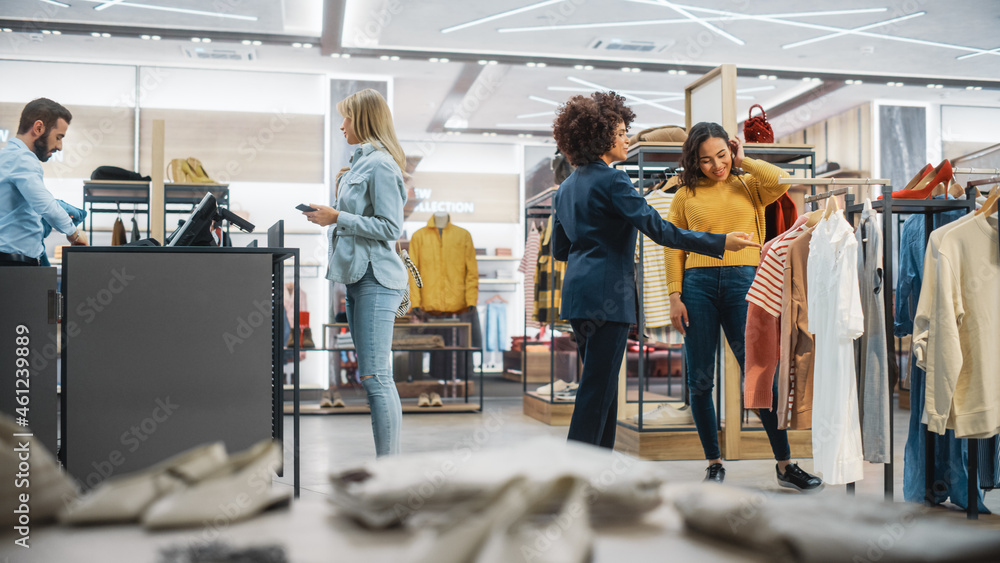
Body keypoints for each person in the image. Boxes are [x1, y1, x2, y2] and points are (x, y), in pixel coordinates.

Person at [551, 92, 759, 449]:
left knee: (600, 390)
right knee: (594, 394)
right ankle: (574, 474)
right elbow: (662, 231)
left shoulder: (566, 188)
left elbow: (560, 249)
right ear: (602, 138)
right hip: (608, 299)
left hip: (579, 296)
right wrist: (720, 242)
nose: (626, 138)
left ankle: (596, 469)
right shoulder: (615, 182)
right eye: (620, 132)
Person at [666, 121, 822, 490]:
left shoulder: (749, 185)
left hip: (744, 284)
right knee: (701, 378)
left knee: (760, 374)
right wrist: (674, 296)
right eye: (705, 160)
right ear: (694, 161)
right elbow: (673, 247)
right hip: (697, 286)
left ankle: (785, 465)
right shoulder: (683, 196)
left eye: (721, 155)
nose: (716, 165)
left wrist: (744, 159)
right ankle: (714, 462)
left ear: (731, 151)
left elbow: (781, 180)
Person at [303, 89, 407, 457]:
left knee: (376, 377)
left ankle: (389, 470)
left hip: (376, 278)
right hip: (360, 278)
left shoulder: (379, 164)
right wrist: (332, 213)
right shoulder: (361, 164)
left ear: (363, 120)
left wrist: (338, 217)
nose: (342, 125)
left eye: (346, 118)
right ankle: (388, 466)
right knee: (374, 377)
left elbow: (390, 228)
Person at [0, 98, 88, 267]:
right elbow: (46, 205)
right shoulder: (22, 158)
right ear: (38, 128)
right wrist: (74, 234)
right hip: (15, 265)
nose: (60, 146)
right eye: (59, 137)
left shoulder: (7, 156)